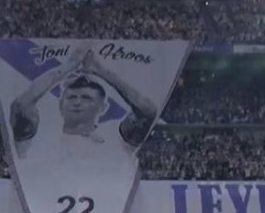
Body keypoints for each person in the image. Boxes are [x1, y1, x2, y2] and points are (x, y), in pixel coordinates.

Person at [10, 49, 160, 159]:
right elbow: (20, 106)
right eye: (71, 97)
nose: (77, 102)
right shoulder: (41, 136)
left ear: (103, 107)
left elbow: (148, 111)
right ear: (61, 104)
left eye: (87, 98)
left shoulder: (115, 137)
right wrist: (68, 67)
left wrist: (101, 71)